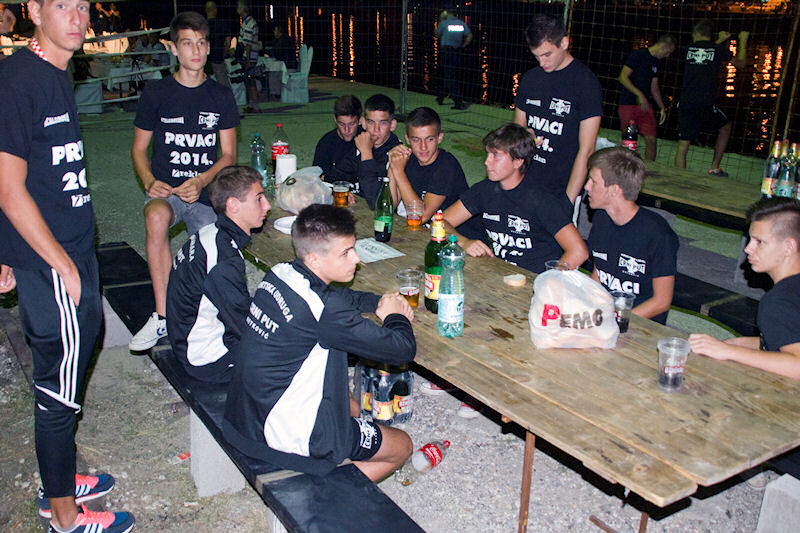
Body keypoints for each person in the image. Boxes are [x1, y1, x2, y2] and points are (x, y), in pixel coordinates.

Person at [0, 1, 134, 532]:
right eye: (62, 5)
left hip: (73, 247)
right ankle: (62, 516)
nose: (78, 17)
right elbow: (7, 187)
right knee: (57, 389)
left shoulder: (56, 70)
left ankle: (58, 480)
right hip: (53, 259)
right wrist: (59, 264)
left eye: (82, 5)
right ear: (34, 10)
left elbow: (34, 168)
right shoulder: (18, 79)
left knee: (76, 363)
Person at [223, 204, 415, 481]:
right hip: (287, 437)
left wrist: (379, 302)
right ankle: (331, 495)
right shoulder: (324, 311)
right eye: (346, 253)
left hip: (244, 417)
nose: (356, 258)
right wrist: (397, 316)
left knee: (352, 406)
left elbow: (339, 298)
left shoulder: (280, 273)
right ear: (314, 259)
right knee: (402, 445)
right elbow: (401, 350)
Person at [129, 11, 239, 352]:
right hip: (168, 190)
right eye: (187, 43)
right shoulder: (156, 92)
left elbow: (229, 155)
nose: (196, 51)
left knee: (214, 247)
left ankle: (212, 317)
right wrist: (149, 180)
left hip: (205, 192)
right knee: (155, 216)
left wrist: (202, 180)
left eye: (202, 43)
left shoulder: (220, 95)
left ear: (208, 48)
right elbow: (139, 148)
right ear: (174, 48)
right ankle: (163, 315)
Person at [166, 166, 269, 383]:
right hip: (208, 359)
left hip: (186, 338)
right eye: (259, 199)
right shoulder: (224, 261)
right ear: (233, 205)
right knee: (298, 350)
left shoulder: (212, 233)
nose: (267, 205)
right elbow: (248, 327)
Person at [443, 123, 588, 274]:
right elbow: (440, 222)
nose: (486, 161)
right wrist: (463, 242)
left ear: (518, 161)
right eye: (488, 154)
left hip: (536, 278)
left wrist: (549, 280)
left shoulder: (541, 199)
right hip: (503, 274)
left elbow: (578, 251)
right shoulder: (484, 190)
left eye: (496, 156)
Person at [690, 198, 800, 378]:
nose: (748, 248)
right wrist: (739, 344)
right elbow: (788, 338)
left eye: (759, 241)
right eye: (750, 239)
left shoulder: (779, 301)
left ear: (788, 247)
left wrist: (728, 351)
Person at [514, 14, 602, 214]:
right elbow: (517, 129)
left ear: (564, 43)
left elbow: (586, 150)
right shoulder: (530, 79)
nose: (542, 62)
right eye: (536, 56)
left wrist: (568, 201)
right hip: (527, 180)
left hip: (562, 184)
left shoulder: (585, 83)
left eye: (547, 54)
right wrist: (524, 136)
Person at [585, 147, 679, 324]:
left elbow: (661, 301)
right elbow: (600, 273)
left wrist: (617, 321)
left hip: (640, 323)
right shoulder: (601, 218)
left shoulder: (658, 234)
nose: (587, 186)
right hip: (606, 315)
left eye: (593, 182)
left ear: (614, 190)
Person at [387, 106, 482, 238]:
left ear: (439, 137)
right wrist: (393, 166)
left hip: (458, 239)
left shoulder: (447, 165)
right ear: (407, 139)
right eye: (416, 140)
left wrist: (399, 172)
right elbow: (388, 208)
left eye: (429, 139)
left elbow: (421, 216)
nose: (423, 147)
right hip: (428, 234)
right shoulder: (407, 159)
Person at [674, 20, 748, 175]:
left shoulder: (687, 48)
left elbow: (704, 51)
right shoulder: (717, 49)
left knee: (683, 144)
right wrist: (743, 41)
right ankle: (714, 167)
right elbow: (741, 64)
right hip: (705, 101)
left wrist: (720, 40)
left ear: (696, 34)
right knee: (725, 127)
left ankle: (679, 177)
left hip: (686, 101)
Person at [326, 93, 402, 209]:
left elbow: (377, 204)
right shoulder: (362, 147)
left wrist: (366, 153)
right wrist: (339, 190)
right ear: (363, 123)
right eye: (371, 122)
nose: (376, 129)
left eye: (383, 123)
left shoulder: (398, 154)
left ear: (392, 125)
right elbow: (332, 177)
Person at [618, 34, 676, 161]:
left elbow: (654, 87)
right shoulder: (638, 55)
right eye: (668, 52)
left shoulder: (657, 62)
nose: (667, 56)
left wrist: (662, 107)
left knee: (652, 139)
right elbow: (623, 77)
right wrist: (639, 94)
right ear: (663, 46)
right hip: (628, 103)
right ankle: (627, 167)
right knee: (629, 140)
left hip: (645, 106)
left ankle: (650, 166)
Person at [313, 94, 362, 179]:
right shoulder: (326, 143)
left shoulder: (368, 139)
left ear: (360, 121)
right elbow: (317, 177)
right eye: (342, 124)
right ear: (335, 120)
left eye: (352, 124)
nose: (347, 130)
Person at [435, 8, 472, 110]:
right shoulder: (461, 23)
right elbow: (469, 35)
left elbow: (436, 34)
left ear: (446, 13)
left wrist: (440, 20)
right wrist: (463, 45)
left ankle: (457, 102)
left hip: (447, 51)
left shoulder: (444, 23)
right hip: (457, 51)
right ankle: (441, 97)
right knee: (450, 74)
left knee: (448, 76)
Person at [237, 0, 260, 113]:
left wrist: (248, 59)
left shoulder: (249, 23)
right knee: (248, 80)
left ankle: (255, 106)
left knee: (250, 81)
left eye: (239, 7)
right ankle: (252, 104)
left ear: (243, 9)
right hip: (249, 55)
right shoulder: (247, 22)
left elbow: (248, 44)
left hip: (250, 56)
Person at [205, 1, 230, 88]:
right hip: (218, 56)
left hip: (205, 59)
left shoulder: (202, 25)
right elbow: (228, 41)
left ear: (206, 10)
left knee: (205, 84)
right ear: (215, 10)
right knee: (223, 83)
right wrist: (225, 52)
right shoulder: (221, 23)